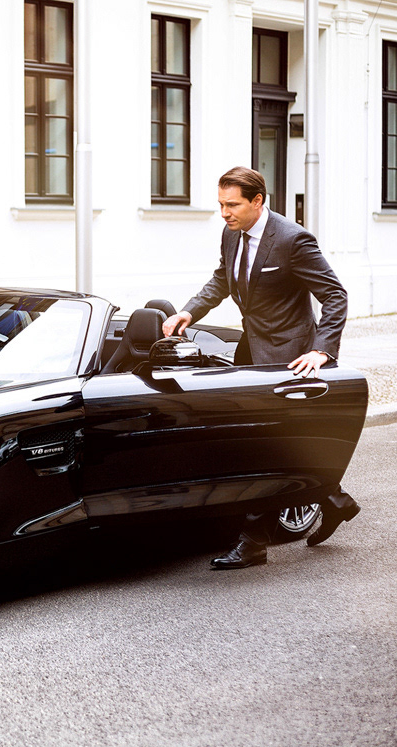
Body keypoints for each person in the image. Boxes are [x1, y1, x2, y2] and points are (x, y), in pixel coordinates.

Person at [162, 166, 360, 569]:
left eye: (232, 205)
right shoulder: (231, 233)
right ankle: (336, 501)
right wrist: (189, 311)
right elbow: (223, 279)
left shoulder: (292, 240)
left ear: (257, 201)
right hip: (253, 352)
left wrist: (321, 351)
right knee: (280, 445)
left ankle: (253, 541)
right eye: (221, 204)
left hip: (292, 360)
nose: (224, 213)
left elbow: (335, 295)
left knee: (266, 446)